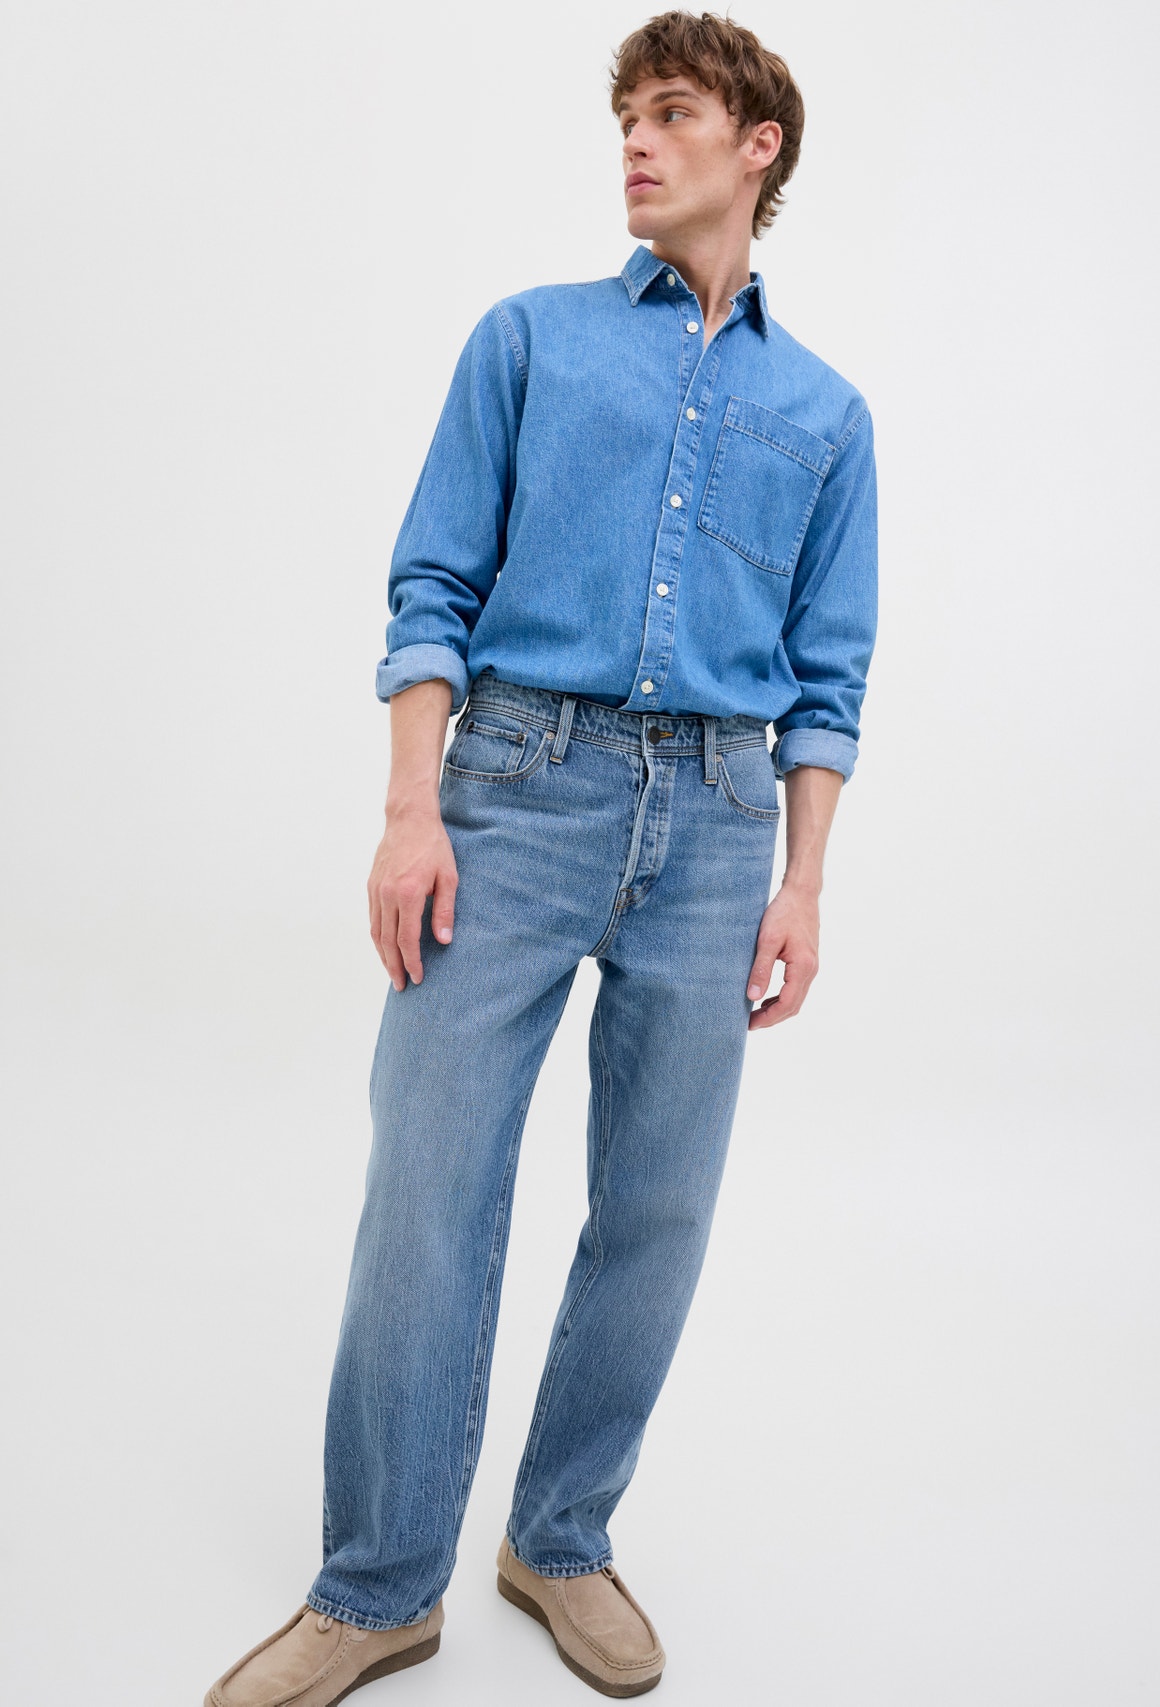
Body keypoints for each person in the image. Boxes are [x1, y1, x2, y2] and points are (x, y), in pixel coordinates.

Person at [204, 9, 877, 1703]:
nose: (635, 143)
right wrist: (409, 808)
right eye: (626, 116)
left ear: (758, 146)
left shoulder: (828, 413)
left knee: (659, 1204)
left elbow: (829, 681)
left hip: (719, 827)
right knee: (429, 1187)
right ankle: (378, 1585)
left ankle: (559, 1539)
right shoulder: (529, 340)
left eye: (672, 114)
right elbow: (432, 582)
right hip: (514, 786)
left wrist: (802, 884)